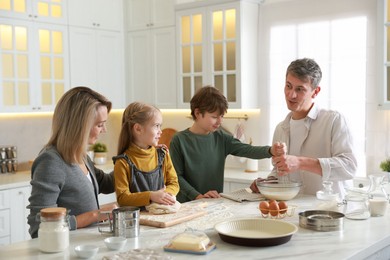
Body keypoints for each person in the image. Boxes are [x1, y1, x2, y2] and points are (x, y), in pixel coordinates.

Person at [250, 58, 357, 197]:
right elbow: (280, 171)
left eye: (300, 89)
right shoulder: (280, 129)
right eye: (288, 86)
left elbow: (349, 167)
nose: (291, 95)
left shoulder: (334, 120)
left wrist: (300, 162)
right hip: (294, 212)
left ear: (315, 91)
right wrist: (268, 182)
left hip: (329, 211)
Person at [27, 86, 117, 238]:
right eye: (99, 124)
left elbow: (108, 183)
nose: (104, 130)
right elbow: (40, 226)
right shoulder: (51, 162)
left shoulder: (81, 156)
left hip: (85, 245)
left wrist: (137, 156)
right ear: (80, 125)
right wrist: (95, 215)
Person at [170, 86, 283, 203]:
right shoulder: (179, 140)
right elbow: (176, 177)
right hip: (187, 205)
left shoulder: (221, 137)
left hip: (215, 203)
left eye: (222, 116)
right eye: (214, 117)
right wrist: (197, 196)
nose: (220, 121)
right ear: (197, 113)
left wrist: (270, 150)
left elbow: (247, 149)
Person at [113, 102, 179, 208]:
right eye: (156, 126)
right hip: (137, 221)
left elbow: (174, 183)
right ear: (138, 129)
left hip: (162, 216)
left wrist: (165, 195)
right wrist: (151, 196)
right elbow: (122, 198)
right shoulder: (122, 162)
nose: (160, 131)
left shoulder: (162, 154)